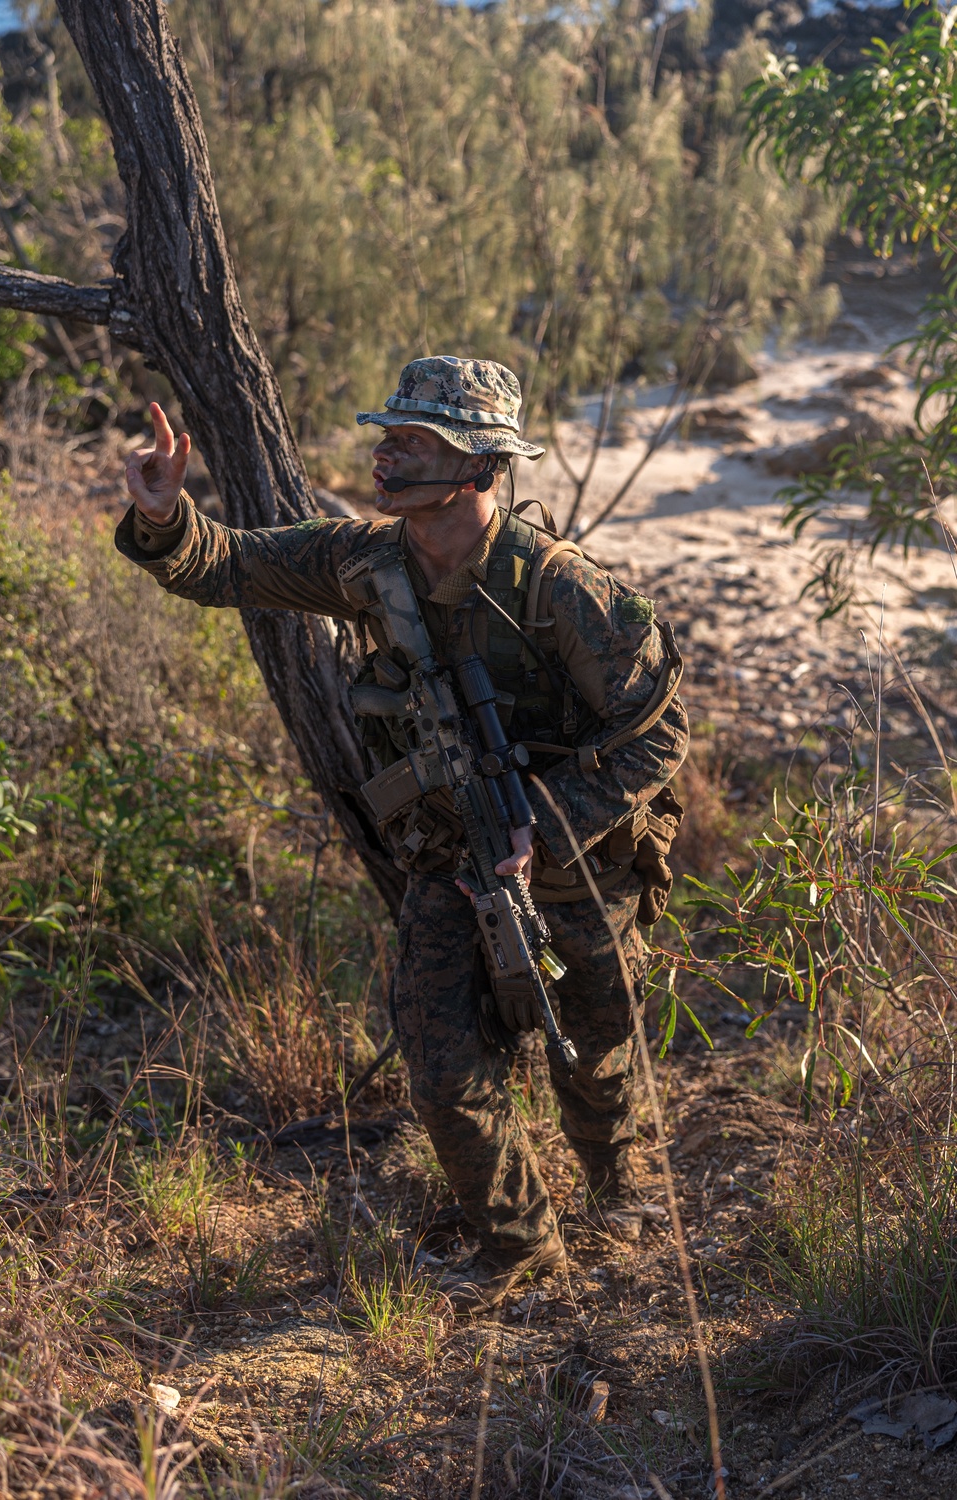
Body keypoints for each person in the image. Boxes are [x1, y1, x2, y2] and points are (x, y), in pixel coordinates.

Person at [116, 355, 689, 1313]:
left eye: (413, 441)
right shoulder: (365, 560)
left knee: (592, 1047)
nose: (386, 455)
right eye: (388, 435)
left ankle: (623, 1200)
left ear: (479, 467)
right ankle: (519, 1248)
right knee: (436, 1062)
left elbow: (661, 729)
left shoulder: (562, 589)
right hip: (451, 856)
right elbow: (230, 565)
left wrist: (545, 830)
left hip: (579, 859)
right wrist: (167, 516)